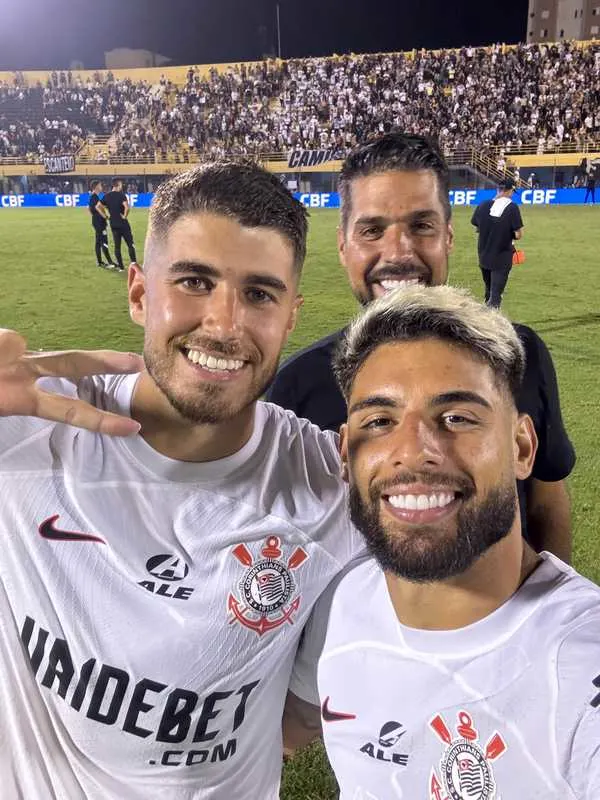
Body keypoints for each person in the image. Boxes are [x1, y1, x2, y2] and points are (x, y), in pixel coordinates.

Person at [0, 160, 362, 798]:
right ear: (139, 292)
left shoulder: (330, 487)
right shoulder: (24, 428)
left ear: (292, 314)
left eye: (259, 293)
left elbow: (304, 712)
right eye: (195, 281)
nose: (224, 325)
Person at [285, 285, 600, 799]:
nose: (413, 451)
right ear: (345, 455)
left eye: (456, 417)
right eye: (380, 420)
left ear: (522, 447)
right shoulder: (348, 602)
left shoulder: (581, 664)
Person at [267, 132, 575, 561]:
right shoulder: (293, 389)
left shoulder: (518, 354)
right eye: (372, 230)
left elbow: (545, 497)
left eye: (421, 226)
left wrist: (552, 606)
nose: (399, 251)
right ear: (343, 246)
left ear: (447, 237)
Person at [471, 178, 524, 308]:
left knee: (488, 293)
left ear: (498, 189)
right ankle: (490, 325)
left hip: (483, 256)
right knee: (495, 298)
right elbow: (518, 234)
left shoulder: (483, 205)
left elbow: (477, 226)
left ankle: (482, 322)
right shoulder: (512, 207)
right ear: (511, 190)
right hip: (501, 257)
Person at [103, 177, 138, 270]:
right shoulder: (121, 195)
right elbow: (127, 207)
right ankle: (134, 265)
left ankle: (121, 267)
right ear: (118, 184)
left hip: (113, 224)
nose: (122, 186)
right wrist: (124, 216)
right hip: (123, 223)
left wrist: (106, 214)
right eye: (121, 184)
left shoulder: (107, 196)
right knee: (130, 244)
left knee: (117, 246)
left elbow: (99, 206)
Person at [88, 179, 115, 269]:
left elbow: (89, 209)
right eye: (100, 185)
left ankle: (100, 262)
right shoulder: (94, 197)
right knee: (104, 241)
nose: (101, 187)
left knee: (98, 242)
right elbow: (94, 209)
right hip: (99, 223)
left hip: (97, 222)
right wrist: (105, 216)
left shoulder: (94, 197)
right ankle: (109, 262)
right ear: (96, 187)